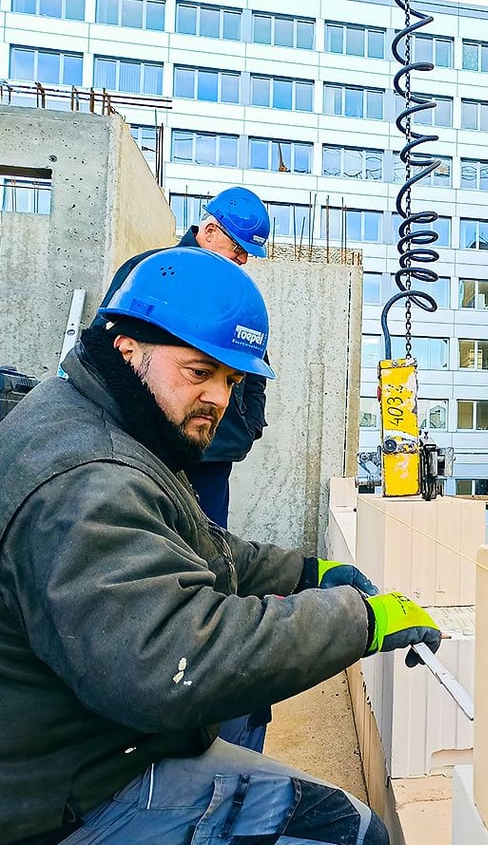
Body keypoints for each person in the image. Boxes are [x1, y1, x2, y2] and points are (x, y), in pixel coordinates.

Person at [0, 248, 441, 845]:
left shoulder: (106, 420)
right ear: (128, 348)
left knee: (247, 710)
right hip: (72, 795)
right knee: (352, 834)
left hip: (85, 742)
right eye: (199, 372)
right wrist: (358, 620)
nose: (219, 398)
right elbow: (173, 660)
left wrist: (308, 572)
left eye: (231, 380)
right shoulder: (88, 479)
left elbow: (196, 544)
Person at [94, 186, 276, 751]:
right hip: (153, 455)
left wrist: (241, 429)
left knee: (211, 561)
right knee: (162, 570)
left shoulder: (235, 297)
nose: (241, 261)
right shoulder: (152, 276)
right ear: (210, 229)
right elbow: (111, 366)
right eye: (237, 249)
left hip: (210, 463)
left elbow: (252, 379)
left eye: (247, 255)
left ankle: (219, 713)